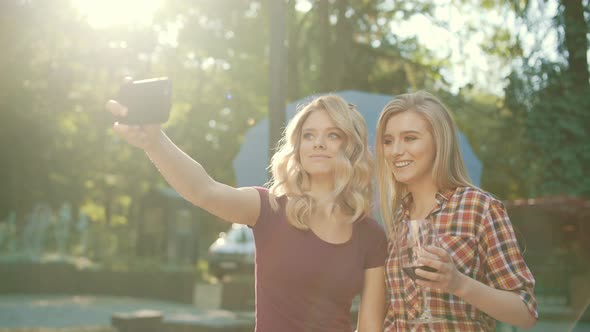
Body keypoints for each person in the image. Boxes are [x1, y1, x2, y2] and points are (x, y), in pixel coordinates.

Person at [106, 94, 387, 332]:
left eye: (333, 135)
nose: (318, 143)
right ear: (298, 147)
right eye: (309, 135)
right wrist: (155, 141)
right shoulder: (269, 207)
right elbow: (204, 191)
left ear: (351, 146)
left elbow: (371, 327)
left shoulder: (370, 236)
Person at [375, 91, 537, 331]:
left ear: (439, 142)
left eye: (410, 138)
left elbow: (526, 312)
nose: (396, 150)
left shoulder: (479, 207)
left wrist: (459, 283)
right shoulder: (395, 217)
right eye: (388, 141)